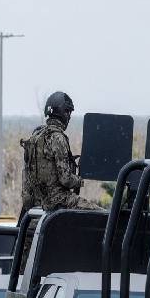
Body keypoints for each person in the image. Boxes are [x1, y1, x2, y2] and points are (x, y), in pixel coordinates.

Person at [19, 91, 102, 219]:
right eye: (68, 112)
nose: (69, 117)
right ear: (64, 113)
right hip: (58, 202)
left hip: (37, 206)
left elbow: (26, 182)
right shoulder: (58, 138)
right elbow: (65, 179)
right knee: (102, 215)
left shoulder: (34, 137)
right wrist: (80, 181)